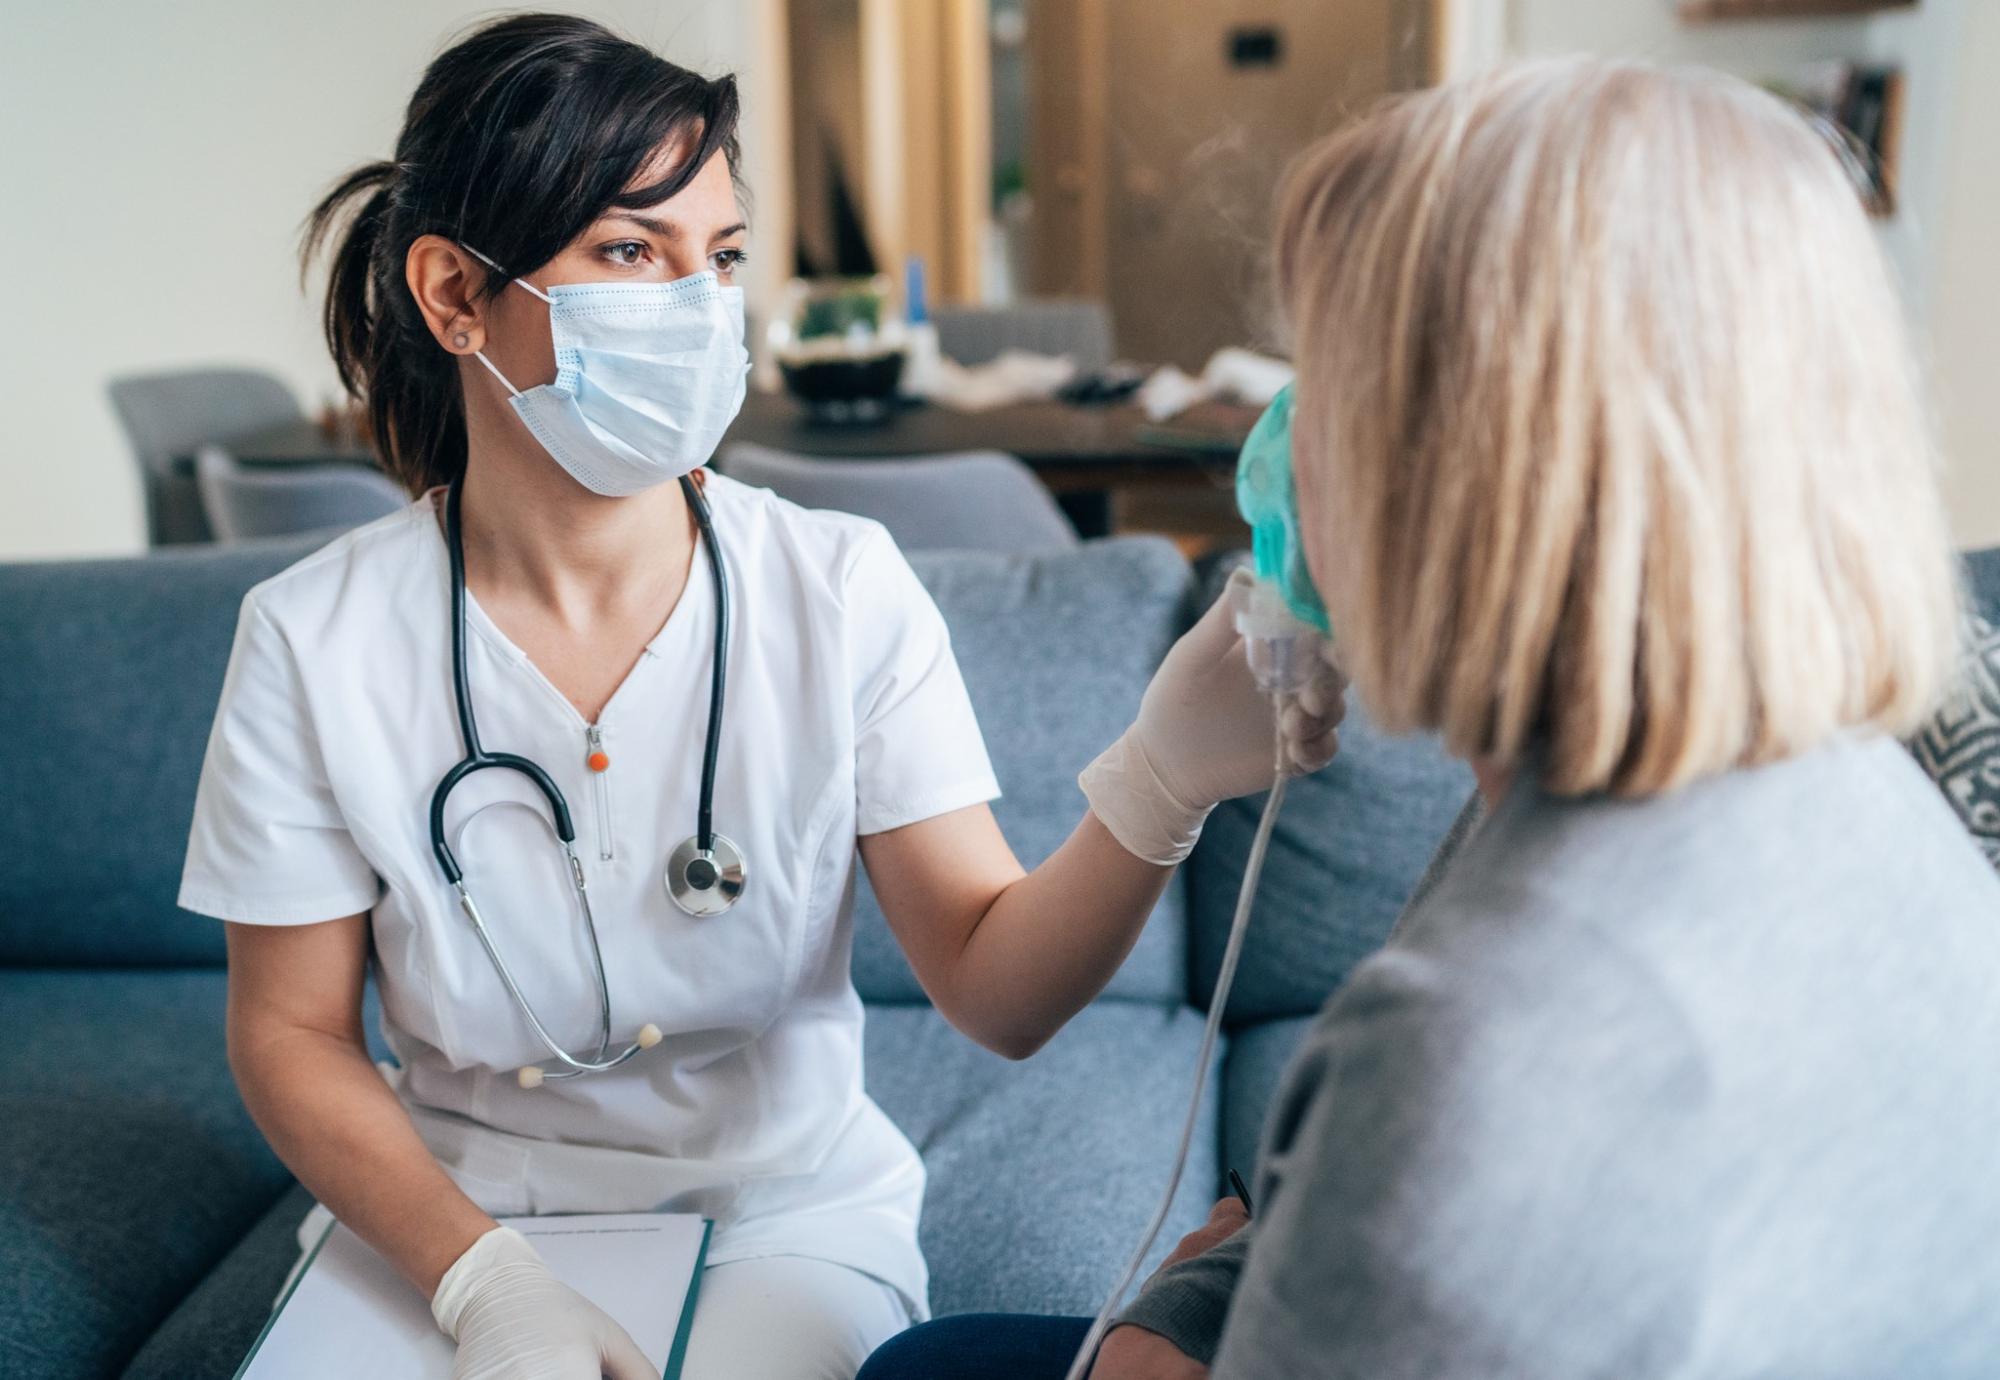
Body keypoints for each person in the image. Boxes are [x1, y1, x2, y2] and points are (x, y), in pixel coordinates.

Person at [177, 14, 1344, 1380]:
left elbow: (997, 992)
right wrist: (483, 1282)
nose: (693, 304)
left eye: (718, 257)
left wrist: (1161, 779)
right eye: (630, 251)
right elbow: (290, 1030)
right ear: (453, 295)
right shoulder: (313, 637)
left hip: (778, 1215)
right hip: (455, 1221)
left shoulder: (838, 588)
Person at [859, 57, 2000, 1380]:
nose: (1281, 443)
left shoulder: (1484, 1053)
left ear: (1461, 471)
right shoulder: (1833, 784)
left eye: (1324, 382)